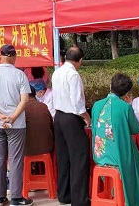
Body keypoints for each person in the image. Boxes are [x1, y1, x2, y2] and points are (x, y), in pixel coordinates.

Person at [0, 44, 32, 206]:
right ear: (14, 57)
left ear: (0, 56)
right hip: (16, 124)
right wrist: (12, 117)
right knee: (15, 160)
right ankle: (16, 198)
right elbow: (24, 100)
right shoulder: (20, 75)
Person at [92, 73, 139, 206]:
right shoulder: (125, 107)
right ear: (126, 93)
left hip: (100, 155)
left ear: (110, 86)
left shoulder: (96, 105)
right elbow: (135, 129)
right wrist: (129, 105)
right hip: (119, 158)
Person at [52, 46, 91, 206]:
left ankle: (64, 195)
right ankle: (80, 200)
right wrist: (87, 117)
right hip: (71, 118)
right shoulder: (73, 75)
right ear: (80, 60)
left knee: (63, 157)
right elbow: (77, 102)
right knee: (79, 158)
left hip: (59, 117)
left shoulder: (57, 72)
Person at [24, 86, 54, 156]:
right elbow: (51, 126)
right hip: (48, 147)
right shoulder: (43, 106)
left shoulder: (22, 108)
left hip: (29, 150)